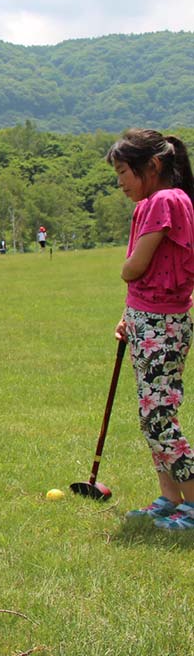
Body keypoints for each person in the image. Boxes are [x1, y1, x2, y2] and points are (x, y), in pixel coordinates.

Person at [107, 129, 194, 529]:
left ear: (153, 166)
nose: (120, 181)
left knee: (159, 415)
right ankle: (170, 498)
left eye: (124, 171)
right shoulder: (150, 202)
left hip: (162, 324)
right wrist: (130, 315)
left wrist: (127, 275)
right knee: (150, 415)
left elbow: (134, 267)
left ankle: (192, 502)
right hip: (147, 320)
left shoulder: (166, 200)